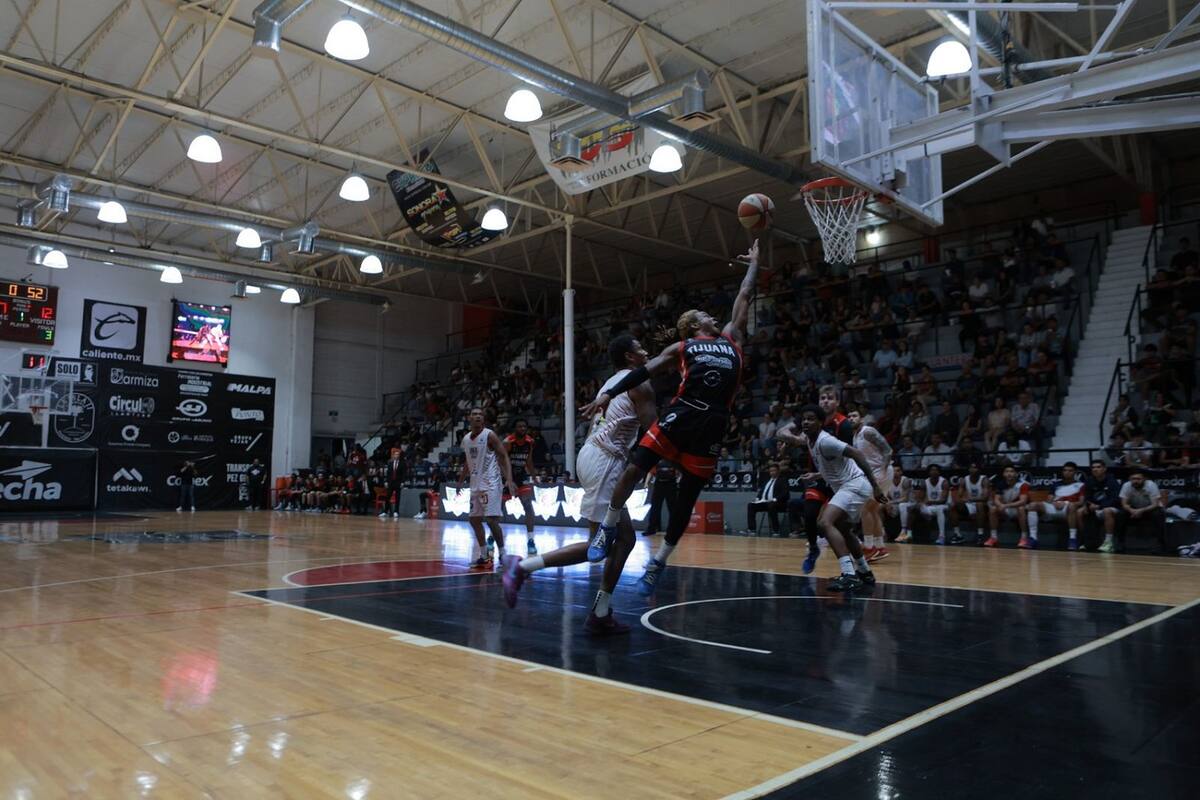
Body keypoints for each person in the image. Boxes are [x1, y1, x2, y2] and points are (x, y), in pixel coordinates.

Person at [579, 240, 759, 598]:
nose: (711, 315)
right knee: (634, 466)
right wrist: (608, 394)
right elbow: (643, 370)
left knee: (685, 500)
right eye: (703, 314)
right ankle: (608, 526)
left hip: (714, 423)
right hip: (683, 411)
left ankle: (659, 561)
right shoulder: (682, 347)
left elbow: (745, 293)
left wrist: (756, 260)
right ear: (693, 326)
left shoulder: (732, 337)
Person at [502, 335, 657, 634]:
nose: (647, 352)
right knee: (603, 543)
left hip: (593, 455)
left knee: (619, 541)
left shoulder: (612, 381)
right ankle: (520, 568)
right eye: (640, 349)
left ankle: (600, 612)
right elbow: (655, 430)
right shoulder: (638, 382)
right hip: (605, 460)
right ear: (629, 357)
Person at [775, 406, 884, 591]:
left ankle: (849, 574)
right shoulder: (810, 440)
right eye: (804, 420)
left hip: (855, 485)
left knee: (824, 523)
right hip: (850, 485)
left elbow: (857, 454)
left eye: (811, 419)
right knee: (843, 529)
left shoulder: (826, 441)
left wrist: (876, 486)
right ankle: (864, 572)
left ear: (821, 423)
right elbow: (836, 468)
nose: (806, 422)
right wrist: (817, 476)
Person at [459, 408, 518, 569]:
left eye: (481, 414)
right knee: (474, 519)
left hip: (491, 483)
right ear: (469, 418)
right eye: (475, 414)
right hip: (475, 484)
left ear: (483, 419)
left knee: (491, 520)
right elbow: (467, 461)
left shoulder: (489, 435)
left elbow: (503, 456)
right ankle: (484, 555)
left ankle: (503, 554)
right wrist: (460, 481)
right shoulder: (466, 439)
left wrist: (509, 480)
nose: (478, 416)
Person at [847, 409, 891, 559]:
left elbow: (887, 450)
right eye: (849, 417)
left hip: (880, 471)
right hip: (873, 473)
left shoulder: (868, 431)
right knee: (872, 510)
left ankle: (868, 547)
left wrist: (883, 471)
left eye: (854, 415)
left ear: (862, 418)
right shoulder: (855, 436)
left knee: (865, 509)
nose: (851, 418)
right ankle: (880, 547)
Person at [502, 419, 541, 556]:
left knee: (528, 505)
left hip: (521, 476)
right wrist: (508, 479)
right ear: (515, 428)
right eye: (520, 426)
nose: (523, 428)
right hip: (506, 475)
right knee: (498, 508)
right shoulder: (508, 442)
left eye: (524, 426)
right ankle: (492, 537)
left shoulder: (530, 442)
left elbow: (528, 461)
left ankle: (530, 540)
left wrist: (535, 477)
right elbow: (501, 462)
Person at [1030, 461, 1084, 550]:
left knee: (1072, 506)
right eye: (1065, 470)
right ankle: (1033, 538)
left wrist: (1066, 503)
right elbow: (1049, 499)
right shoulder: (1056, 484)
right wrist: (1053, 503)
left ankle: (1072, 539)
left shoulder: (1081, 485)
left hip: (1068, 510)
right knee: (1032, 505)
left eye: (1070, 471)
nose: (1067, 472)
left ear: (1075, 472)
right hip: (1054, 508)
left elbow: (1081, 502)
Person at [1118, 471, 1167, 553]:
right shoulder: (1126, 485)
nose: (1135, 481)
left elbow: (1155, 504)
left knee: (1158, 514)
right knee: (1121, 514)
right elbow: (1124, 504)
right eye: (1133, 479)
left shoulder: (1151, 485)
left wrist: (1141, 510)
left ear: (1144, 479)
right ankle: (1120, 542)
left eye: (1138, 479)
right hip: (1134, 510)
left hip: (1149, 509)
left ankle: (1160, 543)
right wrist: (1132, 510)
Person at [986, 465, 1033, 548]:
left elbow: (1023, 501)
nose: (1009, 474)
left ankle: (1024, 538)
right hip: (1006, 509)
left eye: (1011, 471)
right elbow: (996, 499)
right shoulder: (1000, 484)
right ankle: (993, 537)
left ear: (1015, 474)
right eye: (1007, 471)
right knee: (993, 509)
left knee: (1021, 508)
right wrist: (1000, 505)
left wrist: (1005, 505)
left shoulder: (1023, 485)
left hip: (1017, 509)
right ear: (1004, 474)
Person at [904, 463, 951, 544]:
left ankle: (942, 536)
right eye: (932, 470)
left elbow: (943, 500)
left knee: (940, 508)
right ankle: (908, 534)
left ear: (939, 472)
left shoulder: (944, 482)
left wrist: (929, 502)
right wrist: (920, 504)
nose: (934, 472)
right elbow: (920, 498)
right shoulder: (925, 482)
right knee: (913, 507)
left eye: (936, 470)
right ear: (929, 472)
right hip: (930, 507)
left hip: (943, 506)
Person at [1083, 459, 1122, 553]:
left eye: (1098, 467)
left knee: (1107, 511)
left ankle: (1109, 542)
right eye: (1093, 467)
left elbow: (1115, 499)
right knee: (1080, 512)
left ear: (1104, 469)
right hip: (1096, 507)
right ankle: (1087, 541)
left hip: (1113, 508)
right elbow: (1087, 496)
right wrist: (1087, 505)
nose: (1095, 469)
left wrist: (1099, 506)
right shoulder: (1089, 481)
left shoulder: (1112, 481)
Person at [950, 463, 990, 544]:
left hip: (983, 504)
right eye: (971, 468)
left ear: (979, 470)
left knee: (979, 504)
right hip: (970, 505)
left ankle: (980, 535)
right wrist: (962, 499)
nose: (972, 470)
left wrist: (971, 499)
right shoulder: (964, 480)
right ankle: (958, 535)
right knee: (953, 506)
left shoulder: (984, 479)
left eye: (975, 468)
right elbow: (959, 496)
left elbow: (985, 498)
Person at [747, 462, 789, 536]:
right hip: (765, 502)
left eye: (774, 471)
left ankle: (776, 530)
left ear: (778, 471)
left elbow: (785, 494)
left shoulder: (782, 480)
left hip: (778, 503)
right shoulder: (767, 480)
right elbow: (761, 492)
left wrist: (775, 499)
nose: (772, 473)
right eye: (771, 471)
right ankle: (752, 529)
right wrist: (757, 498)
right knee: (751, 505)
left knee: (771, 505)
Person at [643, 462, 677, 538]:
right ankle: (651, 529)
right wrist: (646, 483)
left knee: (672, 508)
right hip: (659, 484)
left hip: (671, 484)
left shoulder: (673, 460)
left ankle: (674, 530)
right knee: (655, 507)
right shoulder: (657, 460)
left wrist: (678, 480)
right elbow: (651, 472)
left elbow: (679, 472)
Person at [883, 463, 912, 542]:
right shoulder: (888, 481)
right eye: (893, 471)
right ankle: (882, 531)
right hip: (895, 505)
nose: (895, 473)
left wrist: (890, 502)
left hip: (909, 504)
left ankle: (903, 531)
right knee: (879, 506)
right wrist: (887, 503)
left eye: (898, 471)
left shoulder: (906, 481)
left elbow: (905, 499)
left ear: (901, 472)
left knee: (902, 505)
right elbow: (885, 496)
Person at [379, 448, 405, 519]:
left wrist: (402, 482)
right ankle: (385, 511)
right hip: (391, 482)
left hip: (398, 482)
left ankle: (396, 511)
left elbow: (403, 474)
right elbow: (388, 474)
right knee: (388, 497)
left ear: (399, 456)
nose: (397, 456)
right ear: (393, 456)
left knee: (397, 497)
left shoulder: (402, 463)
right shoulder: (390, 463)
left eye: (398, 455)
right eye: (395, 455)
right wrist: (386, 481)